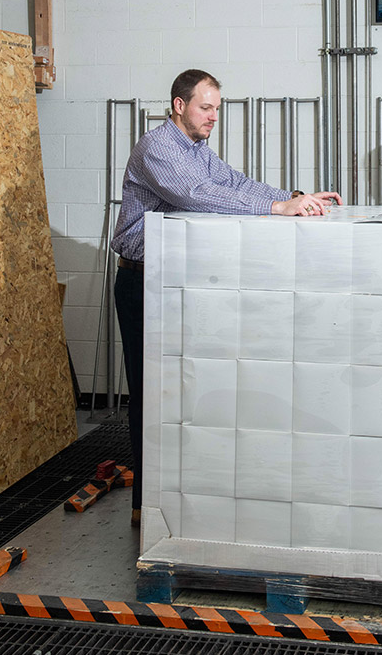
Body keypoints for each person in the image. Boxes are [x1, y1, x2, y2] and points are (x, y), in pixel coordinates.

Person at [111, 68, 342, 526]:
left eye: (217, 108)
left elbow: (234, 184)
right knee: (150, 392)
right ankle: (145, 504)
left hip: (177, 280)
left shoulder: (197, 149)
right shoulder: (157, 147)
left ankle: (183, 490)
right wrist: (277, 209)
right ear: (180, 105)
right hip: (143, 282)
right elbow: (194, 195)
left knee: (186, 389)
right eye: (206, 107)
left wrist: (294, 196)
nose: (214, 116)